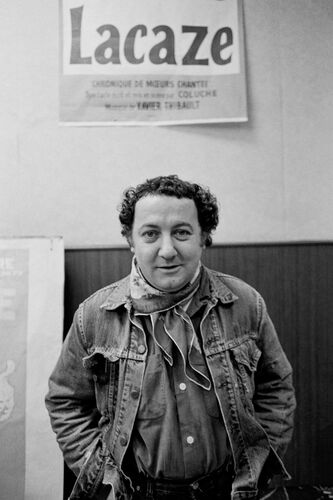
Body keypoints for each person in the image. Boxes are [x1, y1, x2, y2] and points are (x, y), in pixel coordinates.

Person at [45, 175, 296, 500]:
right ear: (130, 239)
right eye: (151, 234)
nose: (167, 250)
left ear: (203, 237)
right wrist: (99, 472)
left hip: (231, 491)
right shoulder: (94, 316)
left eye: (182, 232)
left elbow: (276, 387)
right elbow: (65, 402)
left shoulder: (246, 304)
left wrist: (259, 465)